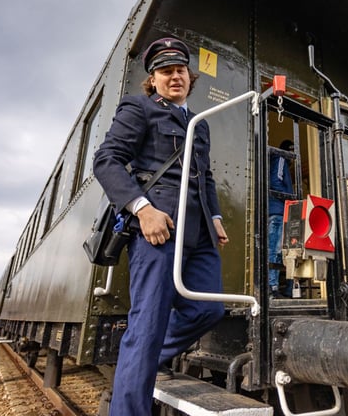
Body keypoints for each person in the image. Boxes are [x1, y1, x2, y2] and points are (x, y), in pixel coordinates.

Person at [93, 36, 227, 416]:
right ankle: (131, 397)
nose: (174, 77)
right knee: (148, 323)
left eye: (180, 70)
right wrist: (143, 209)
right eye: (165, 72)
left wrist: (215, 218)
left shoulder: (199, 125)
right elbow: (107, 161)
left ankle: (140, 354)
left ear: (190, 76)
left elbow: (206, 176)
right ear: (152, 79)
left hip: (199, 233)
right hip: (159, 228)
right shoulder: (138, 108)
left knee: (207, 310)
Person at [268, 140, 295, 298]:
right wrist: (289, 200)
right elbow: (275, 182)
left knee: (278, 250)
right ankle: (272, 287)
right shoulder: (280, 159)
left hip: (278, 210)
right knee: (275, 251)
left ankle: (277, 287)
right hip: (278, 210)